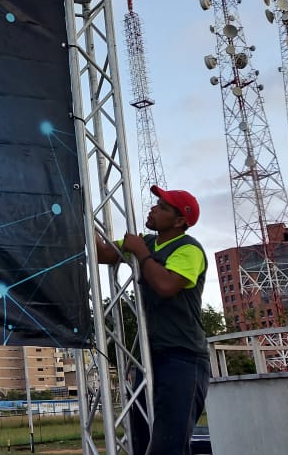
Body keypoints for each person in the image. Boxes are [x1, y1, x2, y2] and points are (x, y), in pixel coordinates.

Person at [96, 185, 210, 455]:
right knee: (141, 440)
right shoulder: (145, 242)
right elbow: (103, 254)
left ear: (179, 221)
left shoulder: (188, 249)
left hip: (183, 358)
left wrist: (140, 253)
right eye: (156, 204)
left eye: (162, 208)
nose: (153, 209)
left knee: (169, 445)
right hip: (149, 358)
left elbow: (166, 285)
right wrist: (83, 217)